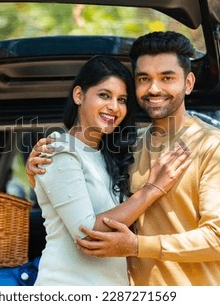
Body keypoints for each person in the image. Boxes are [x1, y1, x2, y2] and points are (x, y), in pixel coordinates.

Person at [27, 32, 220, 286]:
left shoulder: (213, 147)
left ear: (188, 82)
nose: (154, 88)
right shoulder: (129, 146)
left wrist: (139, 246)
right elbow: (91, 199)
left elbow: (219, 241)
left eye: (167, 77)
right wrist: (36, 174)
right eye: (144, 79)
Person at [32, 55, 191, 286]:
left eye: (122, 99)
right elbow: (86, 233)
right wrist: (152, 189)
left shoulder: (110, 156)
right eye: (104, 95)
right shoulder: (60, 151)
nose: (114, 107)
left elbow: (132, 221)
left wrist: (197, 254)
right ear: (79, 95)